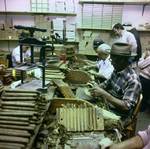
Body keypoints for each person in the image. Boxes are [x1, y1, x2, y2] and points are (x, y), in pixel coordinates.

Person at [89, 42, 142, 125]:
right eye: (111, 59)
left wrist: (104, 94)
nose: (112, 63)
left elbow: (126, 107)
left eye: (114, 60)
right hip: (110, 105)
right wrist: (97, 87)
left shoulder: (133, 80)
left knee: (92, 121)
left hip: (119, 113)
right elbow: (106, 83)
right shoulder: (117, 70)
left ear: (124, 60)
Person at [138, 45, 150, 111]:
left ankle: (141, 108)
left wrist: (142, 57)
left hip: (145, 78)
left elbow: (140, 65)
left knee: (142, 94)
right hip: (146, 78)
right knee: (145, 95)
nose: (146, 52)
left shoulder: (149, 58)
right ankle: (142, 107)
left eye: (147, 50)